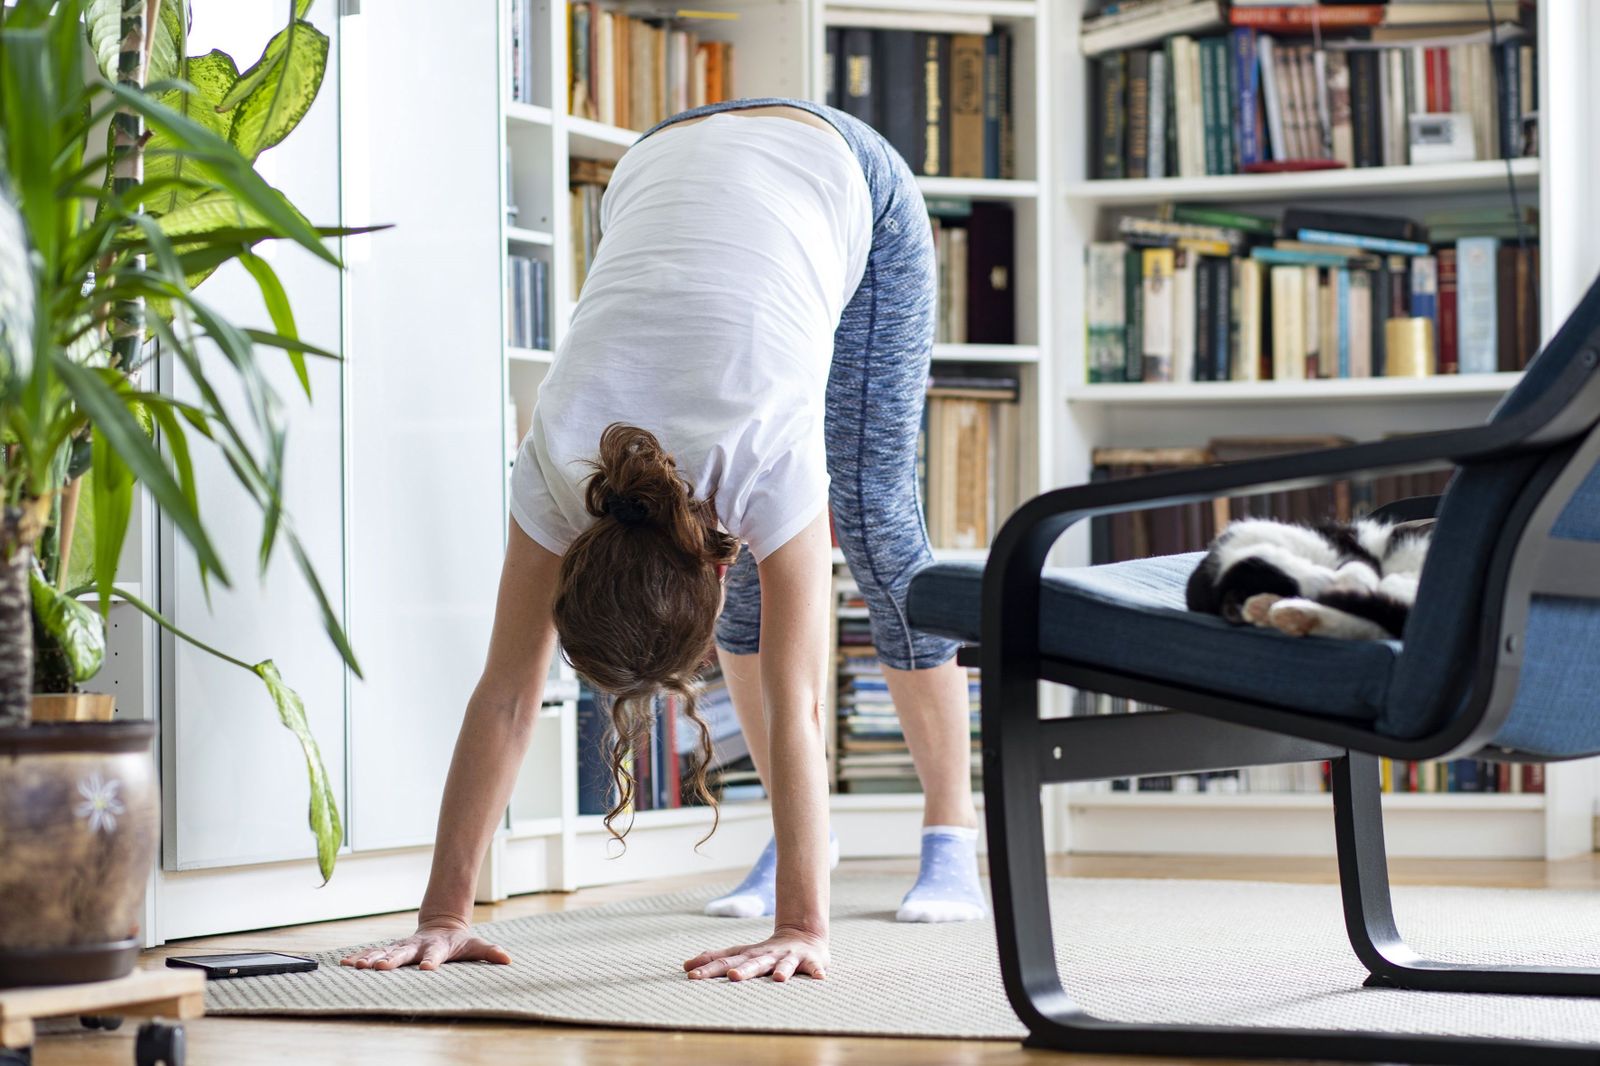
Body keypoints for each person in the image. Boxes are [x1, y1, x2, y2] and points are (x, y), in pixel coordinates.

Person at [339, 98, 983, 984]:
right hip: (662, 159)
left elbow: (796, 707)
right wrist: (443, 916)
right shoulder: (557, 472)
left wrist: (803, 928)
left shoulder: (759, 462)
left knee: (875, 523)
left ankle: (950, 830)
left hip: (842, 173)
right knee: (777, 591)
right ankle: (811, 843)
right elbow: (505, 699)